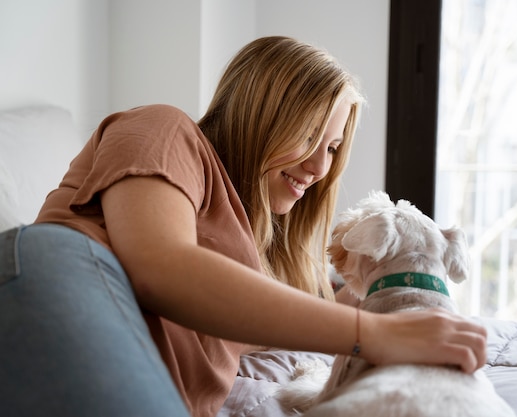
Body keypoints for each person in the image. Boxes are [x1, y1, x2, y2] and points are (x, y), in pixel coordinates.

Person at [0, 36, 487, 417]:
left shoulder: (240, 258)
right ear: (263, 111)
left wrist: (391, 292)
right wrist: (375, 334)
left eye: (333, 147)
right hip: (62, 275)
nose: (320, 167)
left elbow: (279, 310)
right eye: (312, 134)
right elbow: (161, 265)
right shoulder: (164, 129)